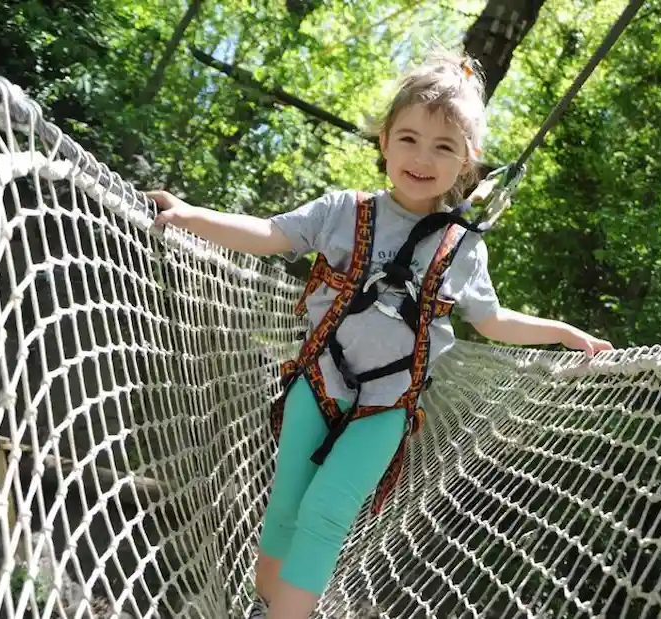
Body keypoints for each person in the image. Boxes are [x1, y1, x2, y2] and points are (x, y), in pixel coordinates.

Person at [145, 50, 613, 619]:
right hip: (317, 382)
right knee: (289, 504)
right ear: (385, 141)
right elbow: (269, 234)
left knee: (327, 514)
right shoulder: (344, 211)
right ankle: (264, 601)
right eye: (409, 138)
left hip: (388, 406)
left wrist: (561, 332)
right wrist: (192, 215)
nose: (422, 157)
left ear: (469, 160)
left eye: (444, 147)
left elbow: (491, 322)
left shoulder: (464, 248)